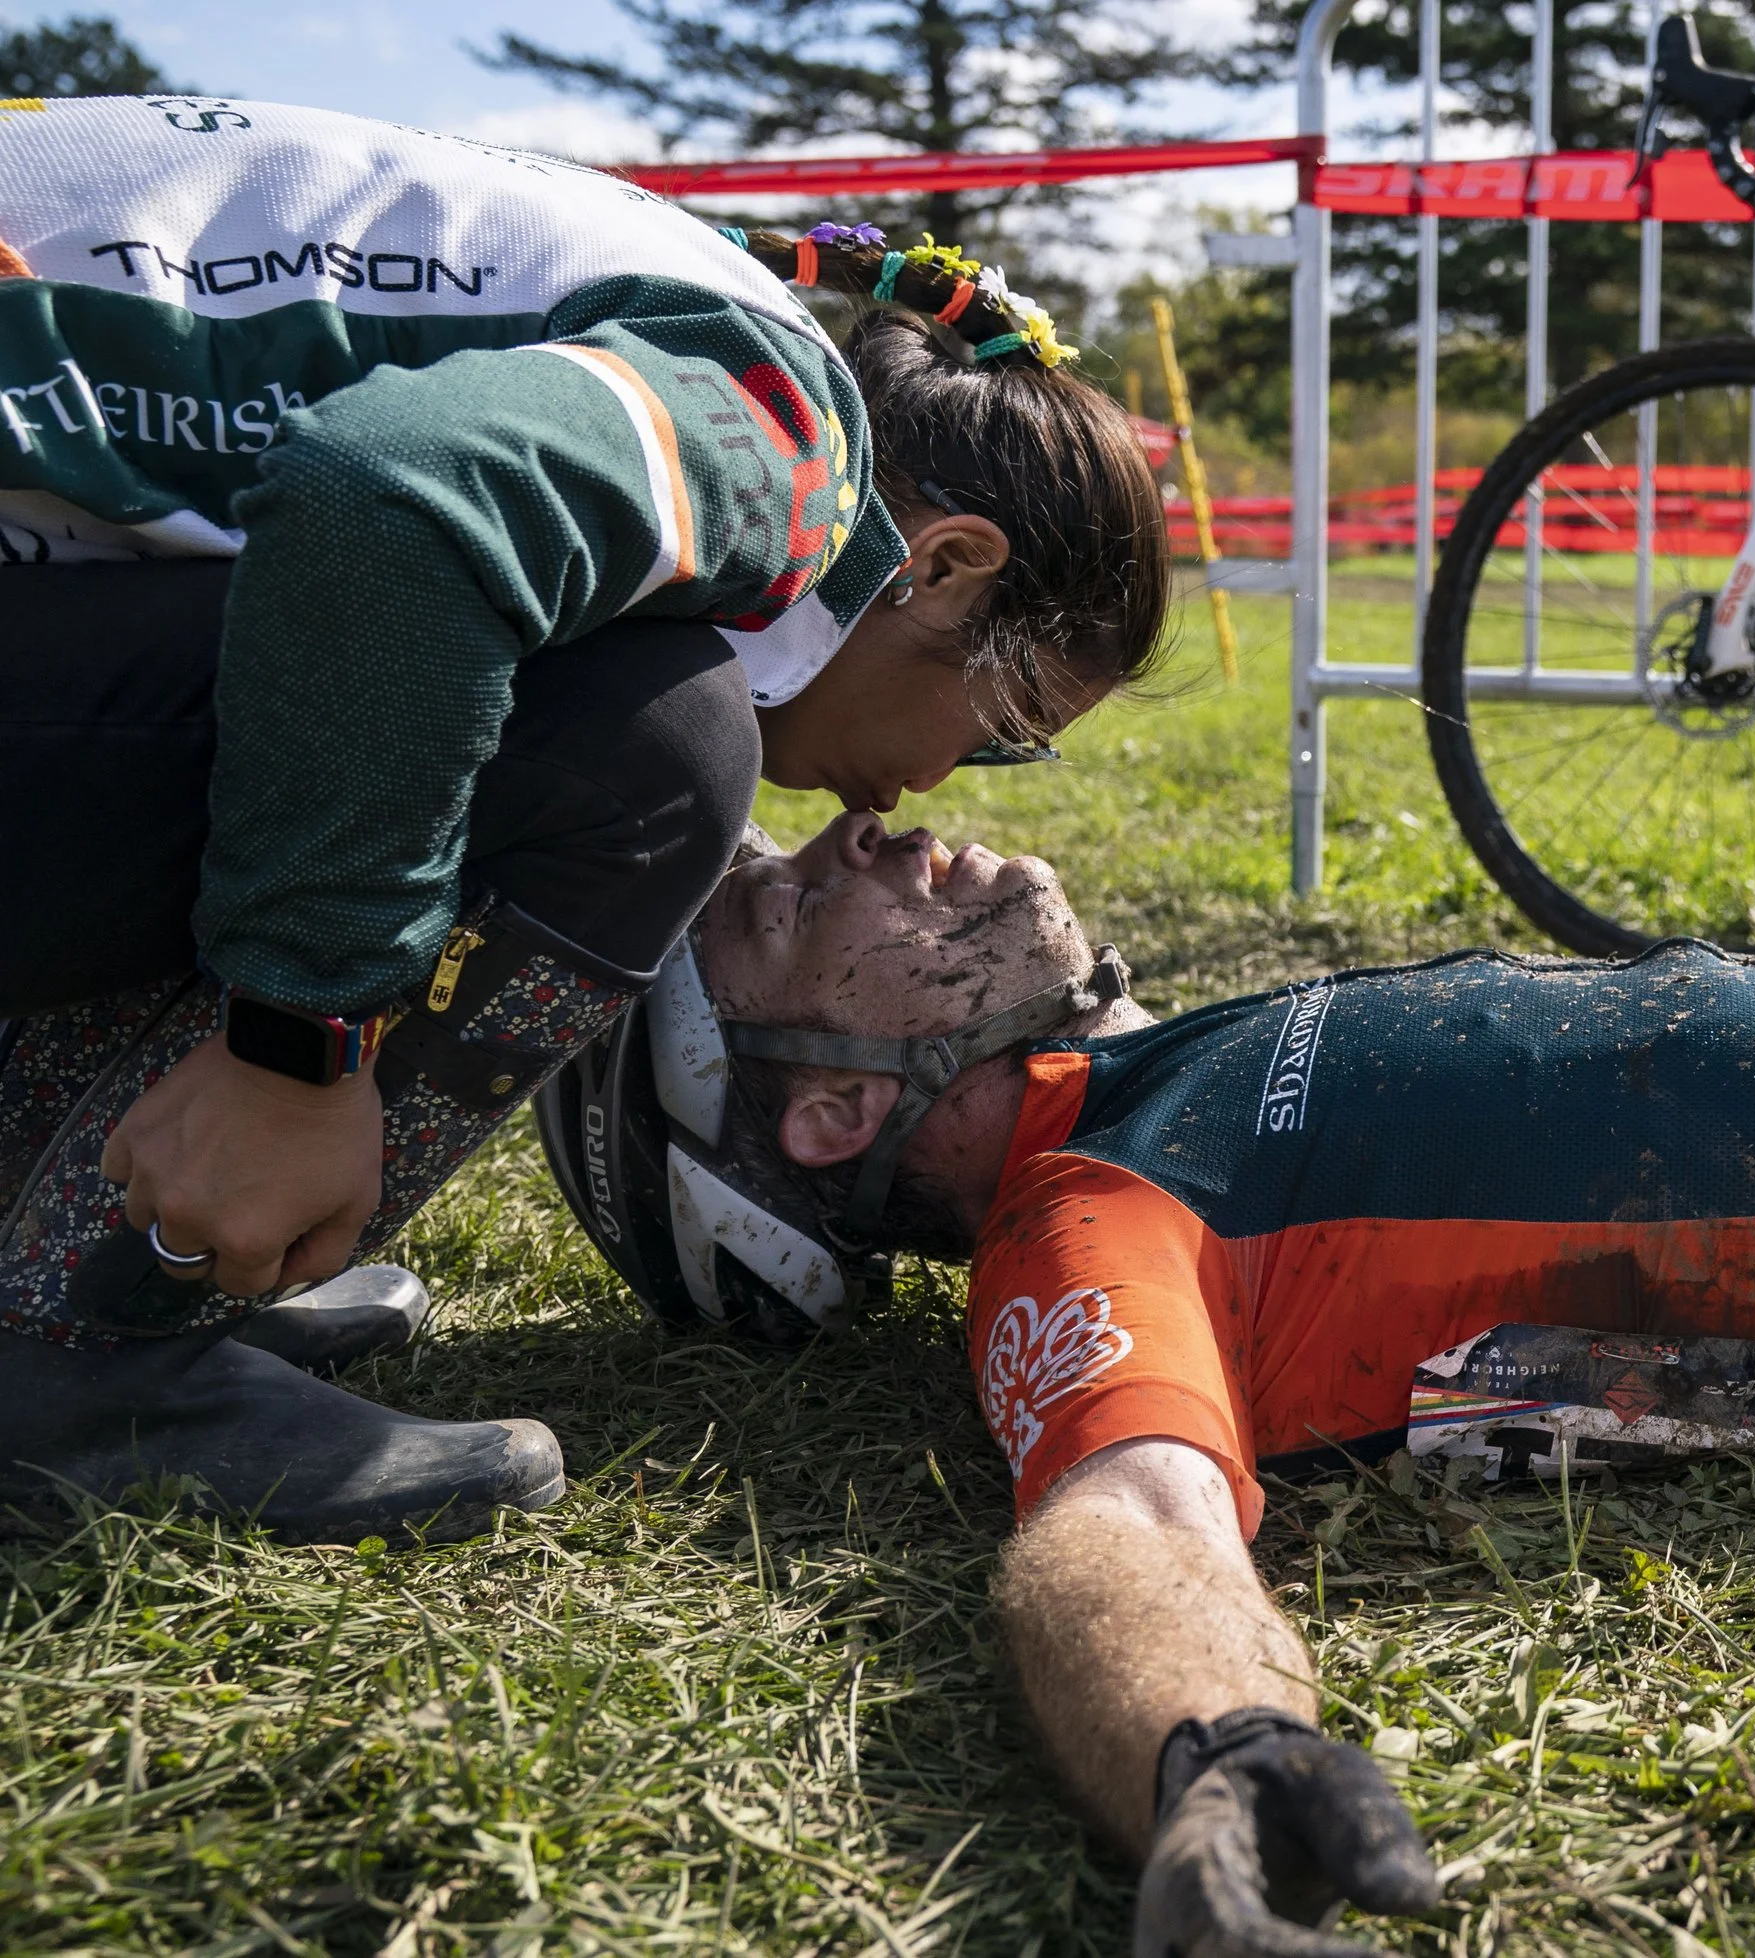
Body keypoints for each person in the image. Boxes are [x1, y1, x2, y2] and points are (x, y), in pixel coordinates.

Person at [526, 663, 1755, 1953]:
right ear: (827, 1104)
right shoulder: (1087, 1218)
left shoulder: (1133, 1074)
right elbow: (1116, 1520)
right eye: (795, 901)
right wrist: (1208, 1750)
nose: (859, 834)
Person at [0, 94, 1167, 1542]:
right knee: (642, 743)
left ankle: (54, 1251)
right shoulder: (783, 421)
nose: (920, 793)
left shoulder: (661, 293)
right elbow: (388, 501)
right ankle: (85, 1368)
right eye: (998, 733)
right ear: (944, 564)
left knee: (396, 723)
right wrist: (298, 1049)